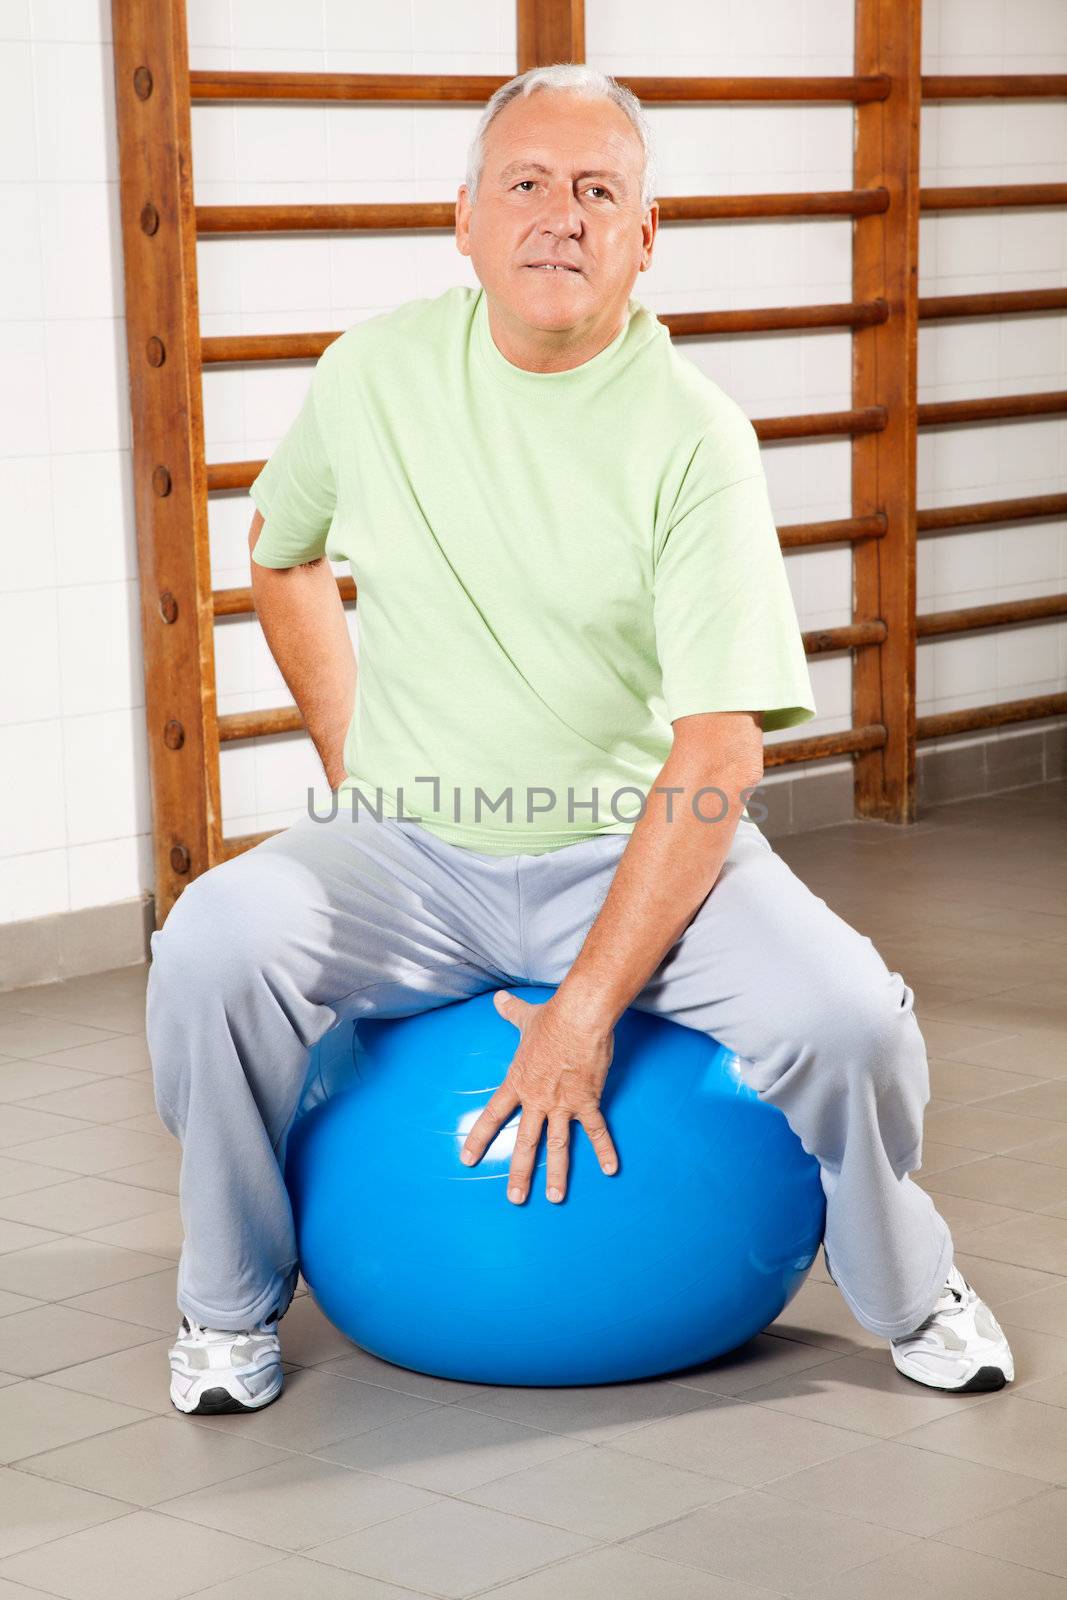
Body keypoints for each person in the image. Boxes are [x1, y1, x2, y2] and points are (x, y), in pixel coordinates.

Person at [147, 64, 1014, 1416]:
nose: (561, 216)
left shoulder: (693, 439)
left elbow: (719, 759)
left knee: (850, 1022)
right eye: (529, 184)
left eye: (598, 191)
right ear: (467, 218)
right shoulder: (375, 375)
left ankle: (909, 1287)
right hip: (413, 848)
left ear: (644, 237)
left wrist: (582, 1018)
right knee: (210, 945)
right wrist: (357, 763)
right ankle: (226, 1305)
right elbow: (282, 555)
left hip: (636, 849)